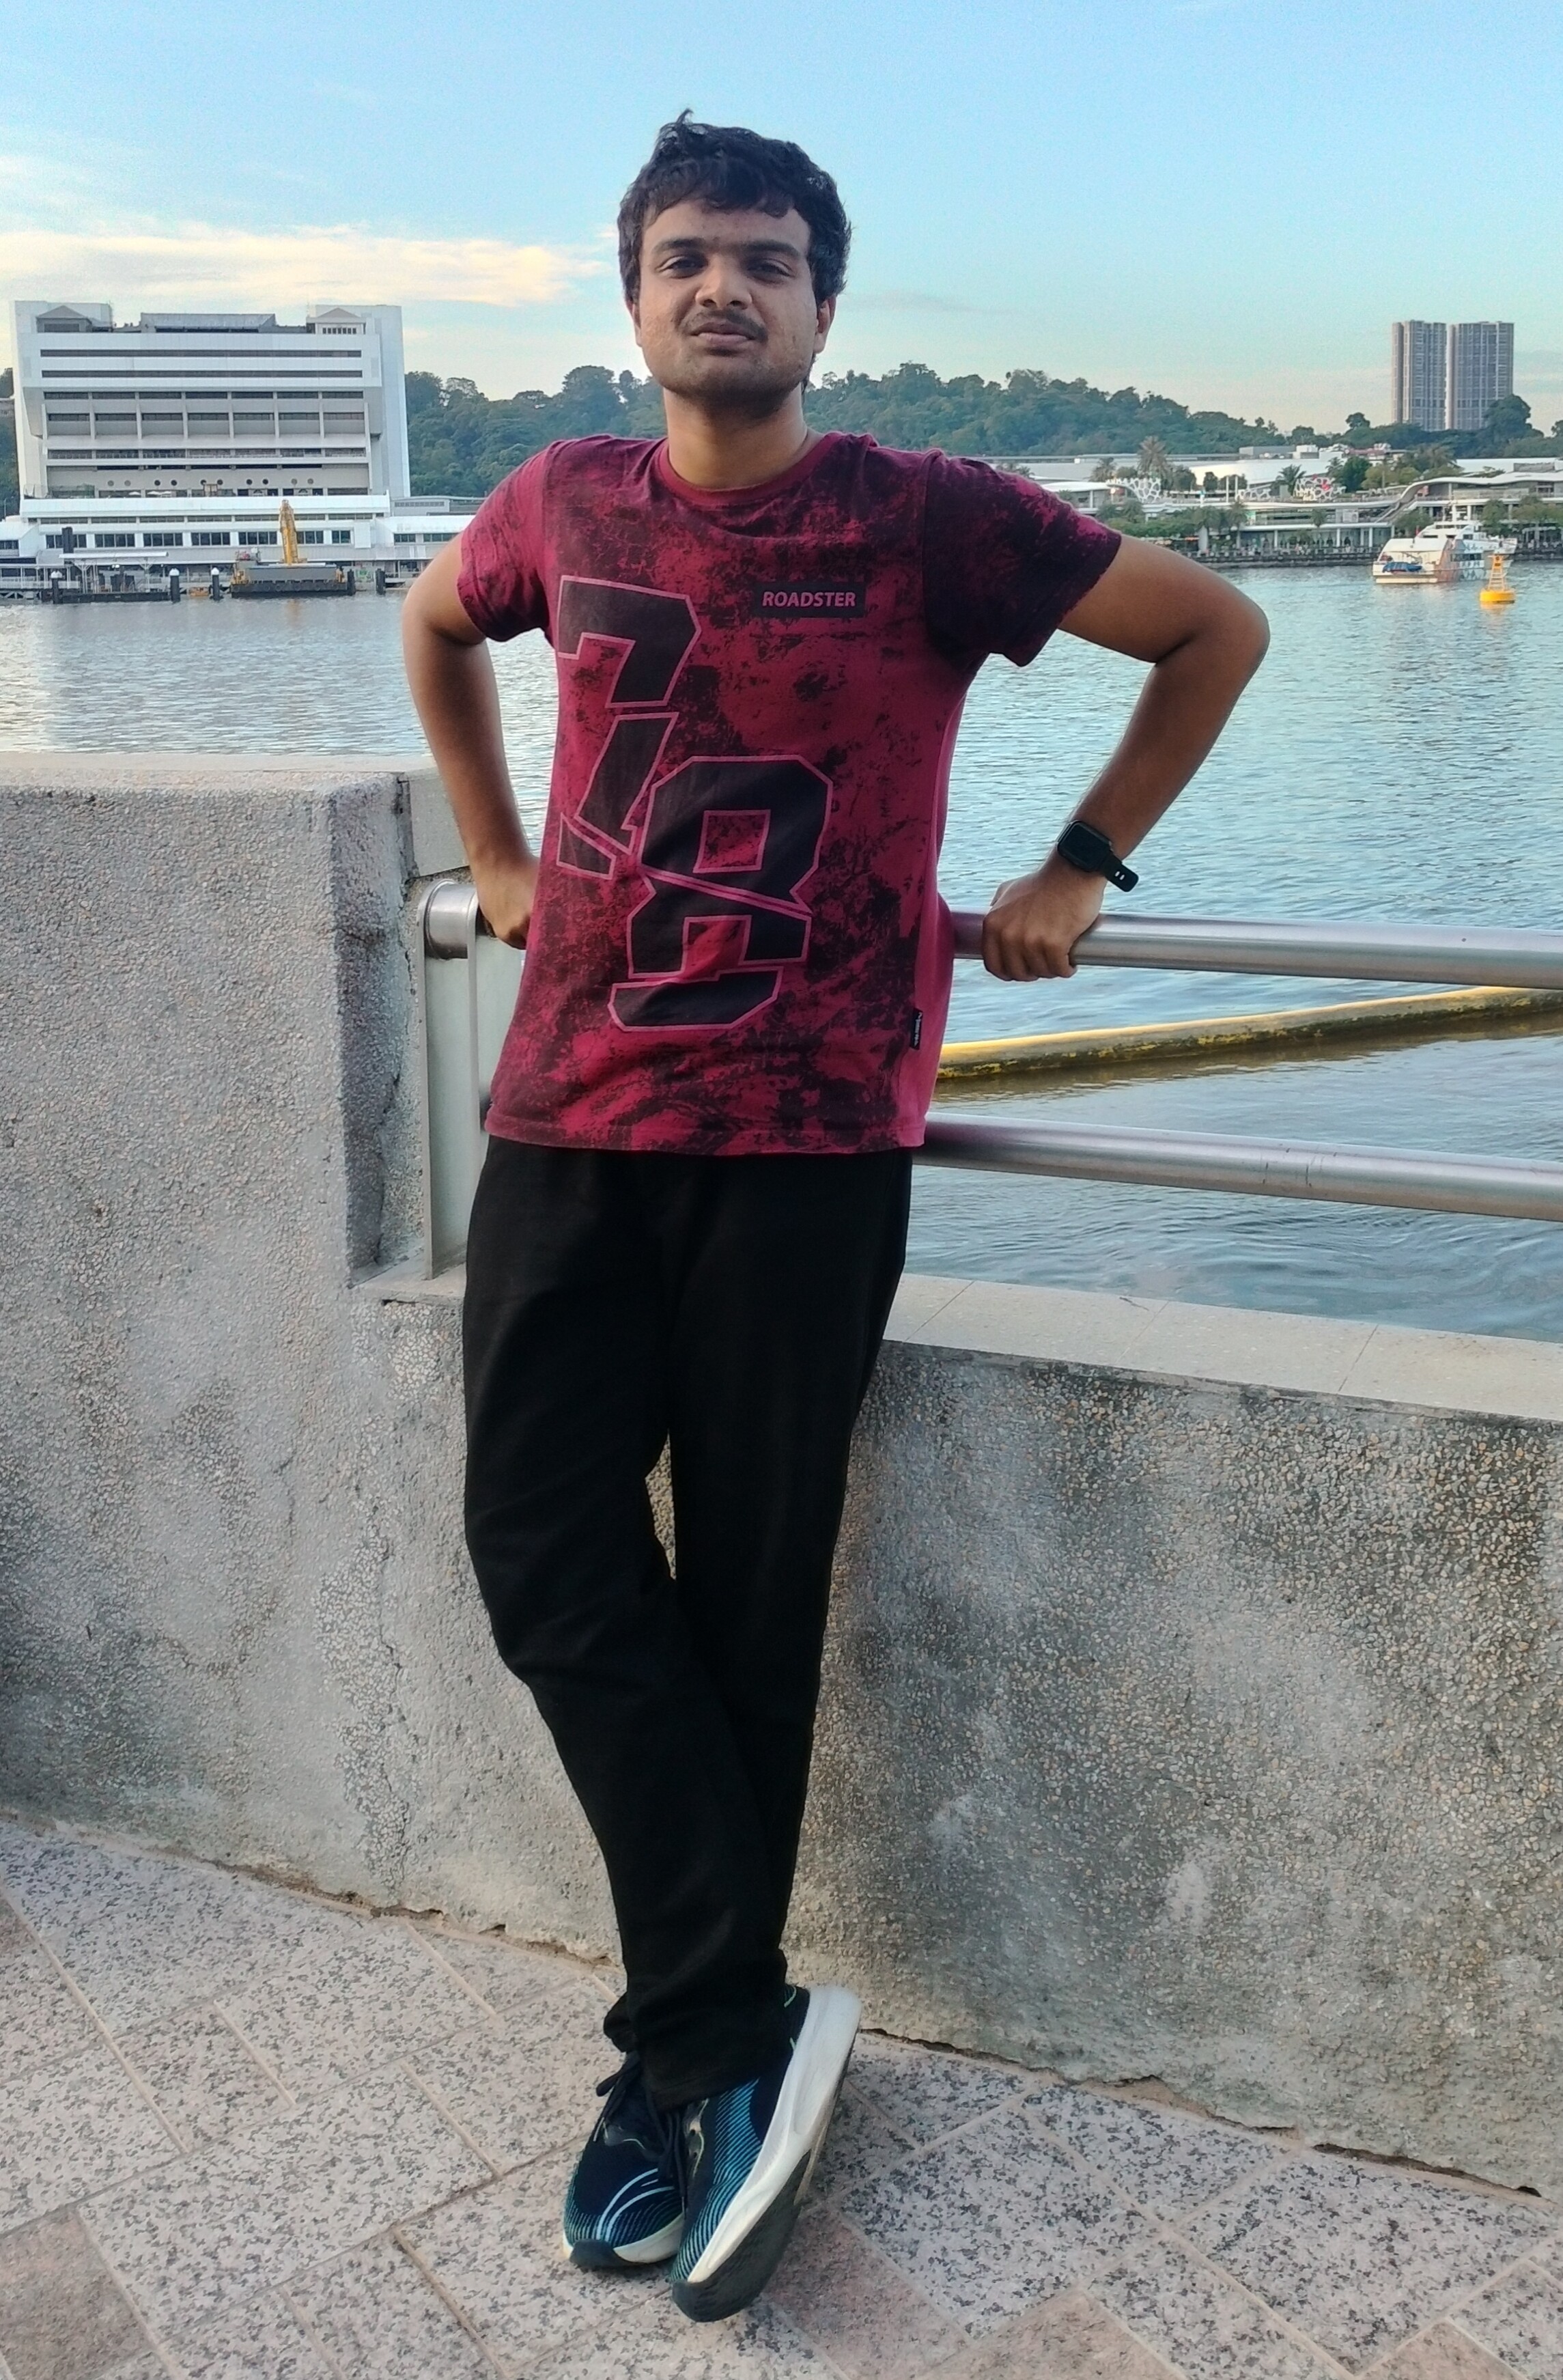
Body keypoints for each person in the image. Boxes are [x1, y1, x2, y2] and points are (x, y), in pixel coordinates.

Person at [402, 113, 1268, 2325]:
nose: (725, 286)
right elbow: (438, 625)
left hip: (807, 1141)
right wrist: (492, 855)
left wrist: (1078, 867)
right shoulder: (557, 501)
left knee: (752, 1598)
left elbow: (1210, 628)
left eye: (766, 259)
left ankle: (685, 2056)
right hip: (572, 1111)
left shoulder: (928, 516)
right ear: (631, 296)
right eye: (687, 255)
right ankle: (725, 2021)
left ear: (820, 304)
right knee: (541, 1553)